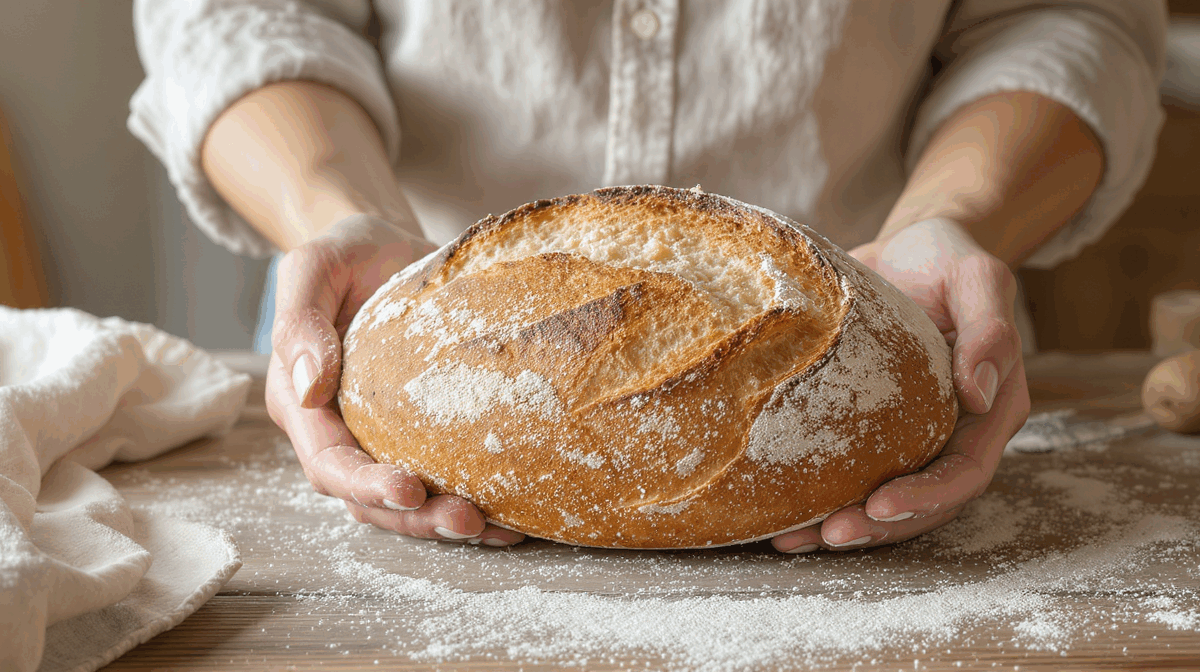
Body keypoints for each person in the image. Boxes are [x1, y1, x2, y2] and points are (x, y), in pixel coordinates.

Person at [128, 1, 1166, 552]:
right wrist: (331, 207)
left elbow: (1069, 17)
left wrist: (957, 220)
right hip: (416, 320)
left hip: (871, 310)